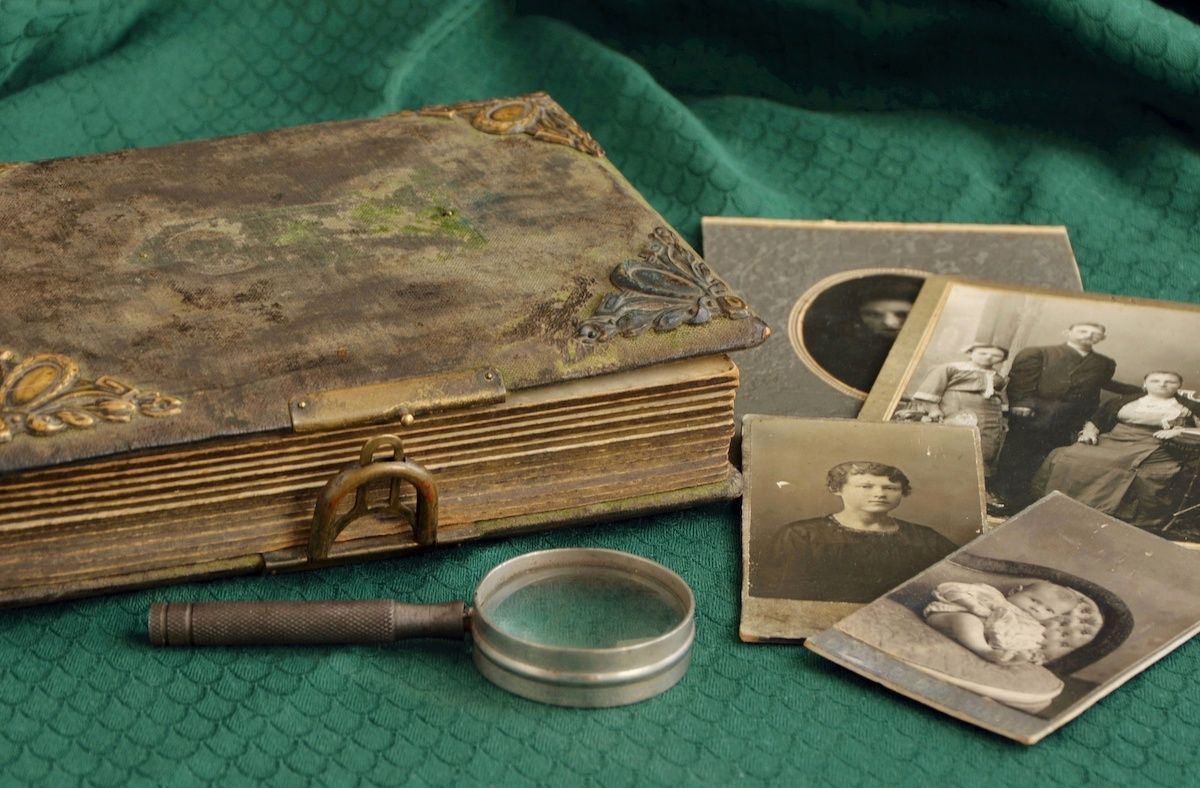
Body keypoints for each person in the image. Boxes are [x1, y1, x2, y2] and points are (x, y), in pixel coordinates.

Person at [752, 461, 956, 603]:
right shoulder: (801, 535)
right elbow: (781, 594)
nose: (879, 494)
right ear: (838, 489)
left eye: (891, 488)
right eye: (866, 486)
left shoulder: (925, 538)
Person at [992, 322, 1140, 508]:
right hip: (1034, 414)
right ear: (1067, 332)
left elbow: (1105, 384)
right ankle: (1005, 498)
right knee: (1019, 455)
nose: (1088, 335)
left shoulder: (1103, 363)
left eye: (1095, 334)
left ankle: (1033, 501)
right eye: (1083, 331)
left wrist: (1145, 391)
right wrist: (1022, 403)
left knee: (1052, 458)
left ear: (1102, 338)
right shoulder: (1038, 353)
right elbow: (1021, 381)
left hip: (1071, 418)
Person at [1032, 371, 1200, 529]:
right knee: (1067, 454)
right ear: (1145, 384)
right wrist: (1090, 431)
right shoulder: (1124, 400)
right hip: (1115, 438)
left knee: (1119, 464)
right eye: (1155, 381)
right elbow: (1096, 420)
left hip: (1156, 444)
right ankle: (1061, 504)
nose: (1162, 385)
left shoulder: (1190, 407)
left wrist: (1178, 431)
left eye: (1170, 381)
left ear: (1179, 386)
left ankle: (1103, 511)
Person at [802, 276, 923, 393]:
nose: (889, 323)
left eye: (902, 314)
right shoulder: (842, 356)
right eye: (873, 315)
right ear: (859, 316)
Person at [909, 344, 1010, 478]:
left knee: (984, 447)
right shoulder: (951, 368)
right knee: (954, 444)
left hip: (990, 416)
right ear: (970, 353)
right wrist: (933, 409)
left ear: (1002, 359)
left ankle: (972, 482)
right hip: (957, 410)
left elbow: (1002, 396)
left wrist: (1002, 419)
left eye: (996, 355)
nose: (989, 357)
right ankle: (938, 477)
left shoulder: (998, 377)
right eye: (983, 353)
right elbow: (931, 388)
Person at [923, 580, 1081, 665]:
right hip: (948, 620)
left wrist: (1030, 654)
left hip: (986, 641)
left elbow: (1025, 642)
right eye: (1034, 600)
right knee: (969, 620)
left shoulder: (1031, 626)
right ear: (1015, 591)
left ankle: (991, 652)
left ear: (1053, 617)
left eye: (1049, 610)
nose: (1036, 609)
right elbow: (947, 588)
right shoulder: (993, 596)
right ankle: (983, 651)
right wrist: (973, 605)